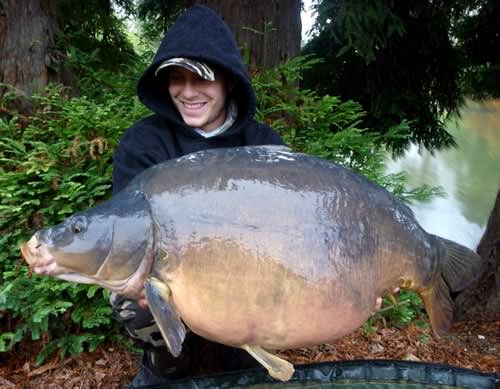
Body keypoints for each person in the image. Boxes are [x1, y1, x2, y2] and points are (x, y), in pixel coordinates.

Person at [110, 5, 286, 387]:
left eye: (201, 79)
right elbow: (127, 233)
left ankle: (236, 353)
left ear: (230, 81)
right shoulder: (143, 143)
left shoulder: (263, 144)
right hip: (173, 271)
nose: (187, 92)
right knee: (130, 295)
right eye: (176, 78)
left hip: (244, 272)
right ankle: (169, 362)